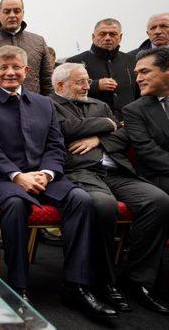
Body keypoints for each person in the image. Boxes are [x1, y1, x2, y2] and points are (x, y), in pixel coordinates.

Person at [0, 45, 116, 318]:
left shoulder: (44, 103)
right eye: (3, 67)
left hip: (44, 174)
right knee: (14, 205)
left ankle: (76, 285)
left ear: (26, 71)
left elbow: (55, 145)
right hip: (2, 177)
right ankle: (18, 286)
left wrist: (46, 173)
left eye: (16, 67)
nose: (10, 72)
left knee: (81, 200)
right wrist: (17, 176)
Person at [51, 62, 169, 314]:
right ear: (60, 85)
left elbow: (123, 135)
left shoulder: (100, 105)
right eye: (80, 81)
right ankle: (102, 280)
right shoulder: (48, 105)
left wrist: (99, 137)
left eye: (87, 81)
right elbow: (64, 130)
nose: (87, 86)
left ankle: (137, 279)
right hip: (79, 171)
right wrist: (107, 123)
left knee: (157, 200)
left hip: (116, 169)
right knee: (103, 206)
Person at [66, 18, 138, 122]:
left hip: (129, 122)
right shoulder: (75, 62)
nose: (107, 38)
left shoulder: (131, 60)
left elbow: (140, 93)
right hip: (92, 123)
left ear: (120, 37)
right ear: (93, 36)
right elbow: (66, 91)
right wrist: (95, 85)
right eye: (102, 34)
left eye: (112, 34)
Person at [123, 47, 169, 194]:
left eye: (144, 72)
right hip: (160, 177)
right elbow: (149, 152)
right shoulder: (134, 111)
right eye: (137, 74)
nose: (138, 79)